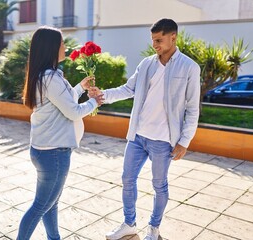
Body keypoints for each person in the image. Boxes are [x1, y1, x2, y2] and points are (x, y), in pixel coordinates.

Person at [90, 19, 201, 240]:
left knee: (159, 185)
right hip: (138, 136)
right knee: (127, 179)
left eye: (159, 40)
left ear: (173, 37)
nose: (155, 45)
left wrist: (184, 141)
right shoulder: (147, 64)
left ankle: (154, 228)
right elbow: (128, 88)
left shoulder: (189, 67)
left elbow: (192, 108)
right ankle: (129, 223)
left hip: (163, 140)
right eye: (153, 40)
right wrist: (103, 95)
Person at [16, 26, 104, 240]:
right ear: (52, 47)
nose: (65, 46)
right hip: (54, 153)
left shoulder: (45, 75)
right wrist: (94, 101)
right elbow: (73, 111)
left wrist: (81, 88)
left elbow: (63, 100)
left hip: (45, 150)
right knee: (41, 206)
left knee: (50, 204)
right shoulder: (51, 78)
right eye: (62, 43)